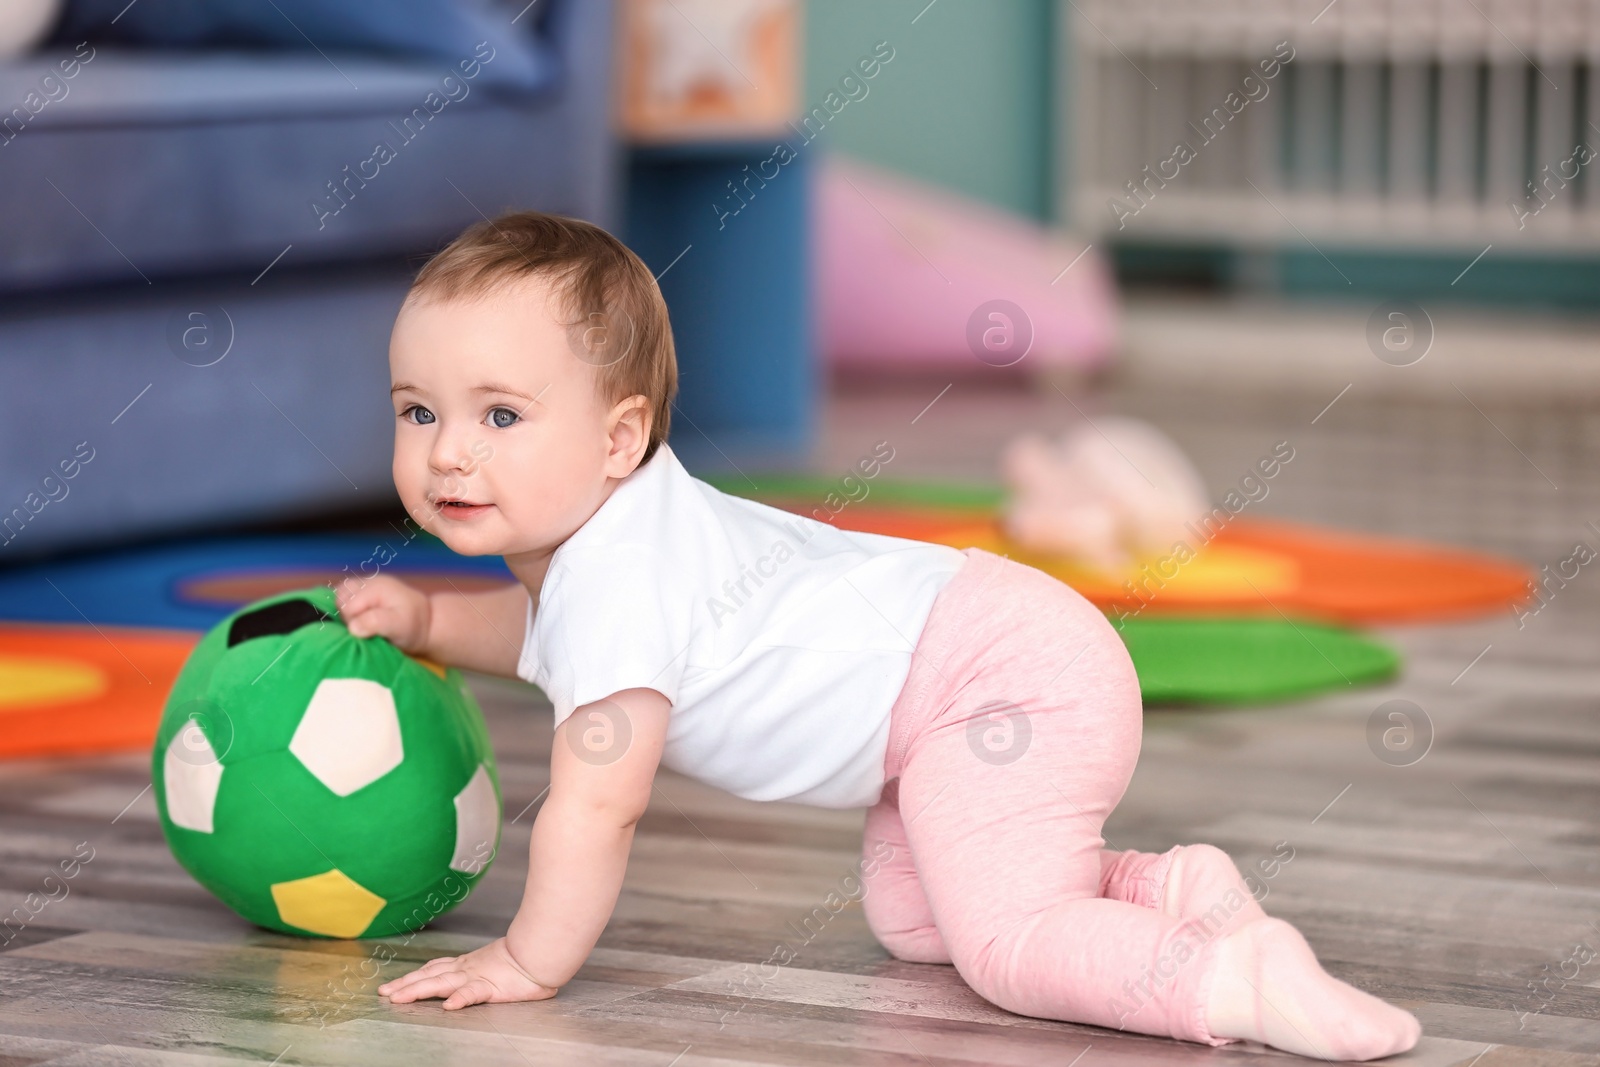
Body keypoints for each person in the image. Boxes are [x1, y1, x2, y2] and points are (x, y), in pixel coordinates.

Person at [342, 211, 1420, 1061]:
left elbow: (599, 799)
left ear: (620, 437)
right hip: (984, 662)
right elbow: (548, 633)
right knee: (916, 919)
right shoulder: (617, 545)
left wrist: (531, 957)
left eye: (499, 416)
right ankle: (1165, 888)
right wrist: (434, 618)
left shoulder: (621, 579)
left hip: (995, 684)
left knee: (1005, 946)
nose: (447, 456)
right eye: (417, 412)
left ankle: (1231, 980)